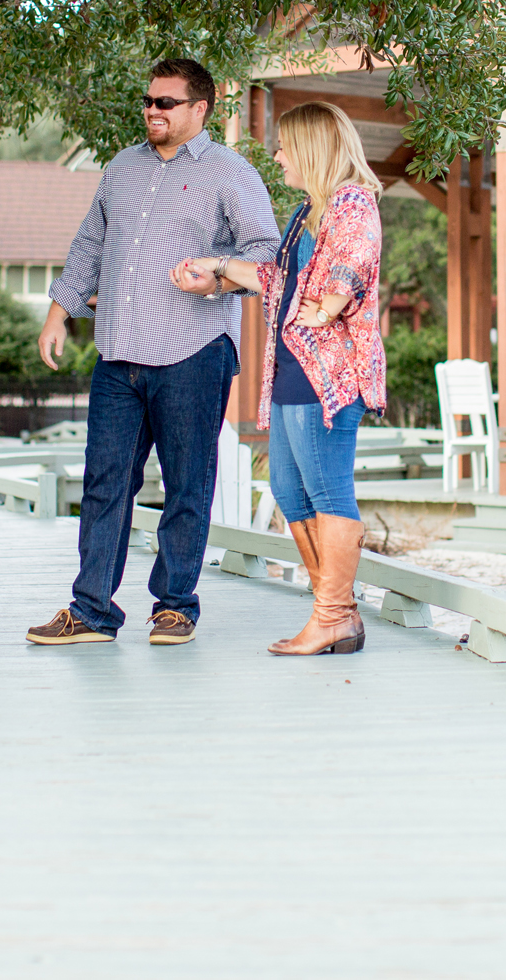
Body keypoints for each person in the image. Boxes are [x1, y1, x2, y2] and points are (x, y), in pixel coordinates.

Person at [27, 58, 278, 648]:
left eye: (166, 103)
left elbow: (265, 254)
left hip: (194, 349)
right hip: (117, 349)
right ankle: (90, 610)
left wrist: (216, 279)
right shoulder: (121, 167)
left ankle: (176, 605)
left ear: (200, 109)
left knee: (187, 483)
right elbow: (90, 240)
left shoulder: (230, 172)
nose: (152, 111)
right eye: (148, 101)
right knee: (104, 482)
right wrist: (58, 312)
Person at [172, 102, 387, 656]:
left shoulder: (352, 203)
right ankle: (337, 614)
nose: (278, 156)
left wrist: (330, 303)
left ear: (313, 149)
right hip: (289, 371)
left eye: (286, 146)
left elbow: (352, 264)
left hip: (330, 376)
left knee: (328, 490)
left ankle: (333, 615)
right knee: (291, 492)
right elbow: (276, 279)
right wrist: (217, 268)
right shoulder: (306, 214)